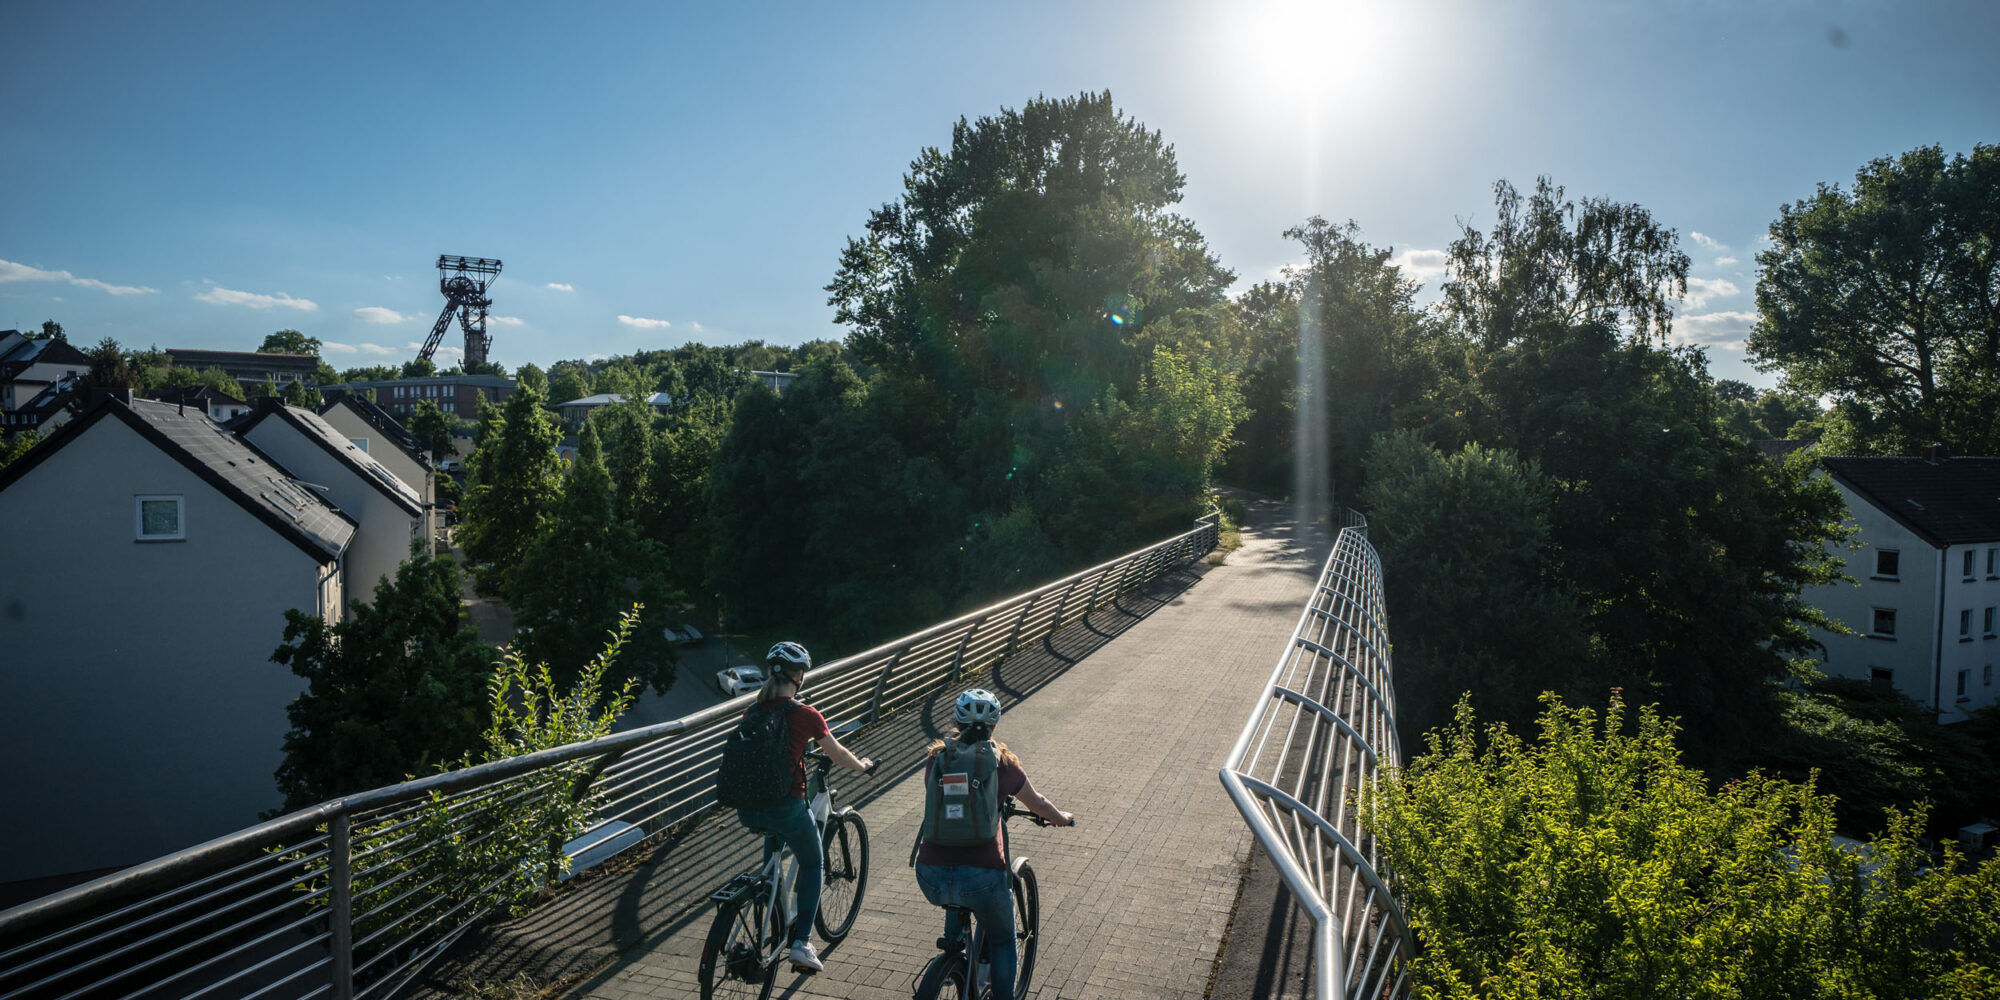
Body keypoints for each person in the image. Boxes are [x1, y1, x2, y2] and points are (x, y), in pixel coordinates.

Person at [914, 689, 1074, 999]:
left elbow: (943, 804)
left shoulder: (936, 759)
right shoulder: (1004, 764)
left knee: (955, 878)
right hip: (982, 879)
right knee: (1002, 940)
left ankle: (953, 947)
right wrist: (1061, 818)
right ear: (994, 727)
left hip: (928, 874)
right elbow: (1038, 803)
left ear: (957, 723)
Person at [733, 640, 874, 972]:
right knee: (813, 863)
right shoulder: (805, 714)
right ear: (798, 676)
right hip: (788, 807)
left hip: (747, 808)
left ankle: (770, 900)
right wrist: (863, 765)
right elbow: (836, 753)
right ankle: (801, 943)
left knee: (774, 839)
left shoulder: (752, 710)